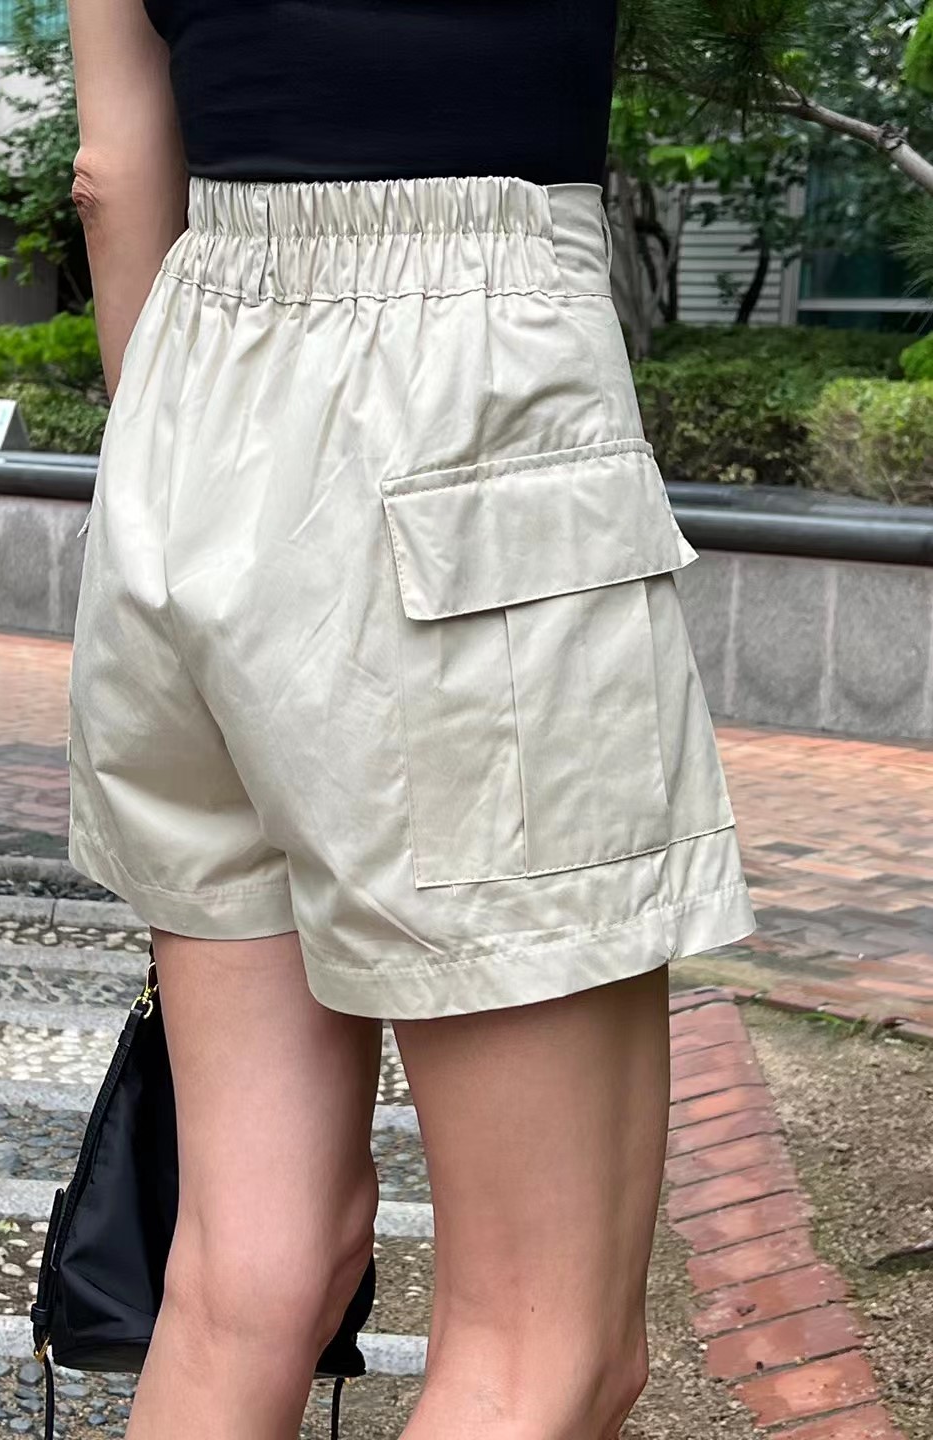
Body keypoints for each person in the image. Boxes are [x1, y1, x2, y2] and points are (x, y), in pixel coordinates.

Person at [64, 1, 756, 1436]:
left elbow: (115, 179)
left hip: (179, 431)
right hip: (462, 385)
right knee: (546, 1349)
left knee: (244, 1278)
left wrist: (210, 505)